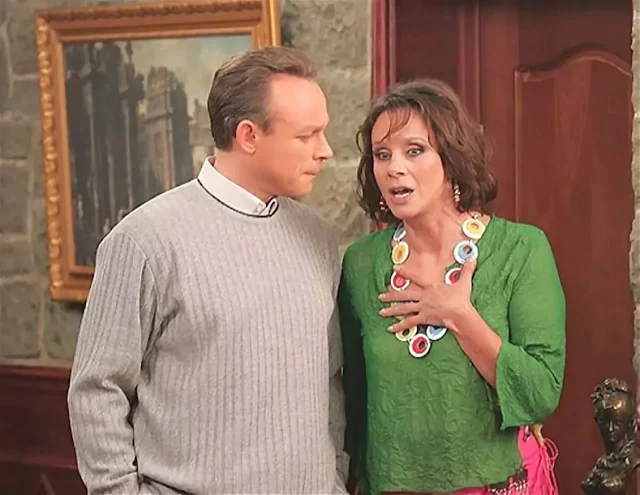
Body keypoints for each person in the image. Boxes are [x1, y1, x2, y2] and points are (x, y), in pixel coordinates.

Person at [68, 46, 348, 495]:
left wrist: (332, 481)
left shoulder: (317, 236)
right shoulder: (143, 241)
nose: (325, 151)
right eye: (307, 136)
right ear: (248, 135)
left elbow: (330, 381)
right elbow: (96, 390)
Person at [338, 78, 566, 494]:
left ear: (453, 158)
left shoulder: (521, 249)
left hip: (494, 485)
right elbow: (353, 401)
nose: (394, 168)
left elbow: (540, 394)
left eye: (414, 150)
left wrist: (459, 316)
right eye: (382, 155)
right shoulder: (361, 263)